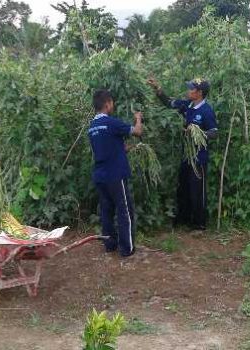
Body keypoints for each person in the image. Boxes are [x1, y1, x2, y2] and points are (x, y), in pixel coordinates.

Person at [147, 77, 218, 230]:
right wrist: (158, 89)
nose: (188, 90)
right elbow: (170, 103)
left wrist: (197, 132)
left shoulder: (207, 111)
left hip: (199, 159)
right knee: (183, 189)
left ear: (199, 93)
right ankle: (184, 220)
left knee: (197, 192)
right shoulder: (187, 106)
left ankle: (199, 224)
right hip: (185, 157)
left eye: (191, 88)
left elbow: (214, 133)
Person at [88, 89, 143, 257]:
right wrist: (138, 119)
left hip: (100, 176)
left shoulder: (92, 127)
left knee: (106, 210)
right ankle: (127, 249)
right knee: (124, 210)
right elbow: (137, 131)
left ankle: (110, 245)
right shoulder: (112, 123)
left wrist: (126, 148)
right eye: (112, 102)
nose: (113, 105)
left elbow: (107, 148)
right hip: (115, 175)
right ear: (107, 104)